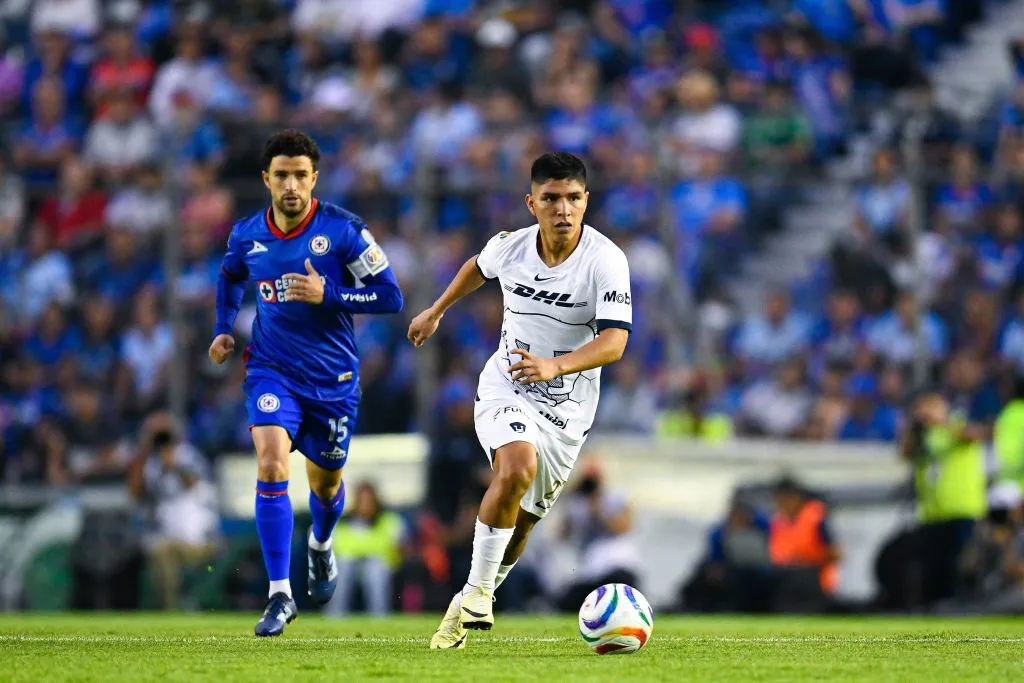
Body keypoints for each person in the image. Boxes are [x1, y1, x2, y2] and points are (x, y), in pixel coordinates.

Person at [407, 152, 632, 649]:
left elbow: (615, 342)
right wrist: (436, 310)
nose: (563, 209)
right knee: (516, 468)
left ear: (586, 201)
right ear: (532, 203)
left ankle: (468, 597)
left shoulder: (606, 259)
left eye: (573, 198)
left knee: (525, 521)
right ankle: (480, 593)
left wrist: (554, 365)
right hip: (507, 385)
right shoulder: (511, 247)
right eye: (551, 199)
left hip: (568, 409)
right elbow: (476, 267)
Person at [208, 129, 403, 636]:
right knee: (271, 464)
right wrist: (223, 330)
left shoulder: (343, 231)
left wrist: (330, 293)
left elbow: (390, 296)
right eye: (281, 175)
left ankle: (320, 543)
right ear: (266, 180)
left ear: (314, 178)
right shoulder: (247, 235)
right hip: (271, 369)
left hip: (333, 381)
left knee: (327, 484)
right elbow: (230, 277)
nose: (291, 185)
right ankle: (279, 594)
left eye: (300, 175)